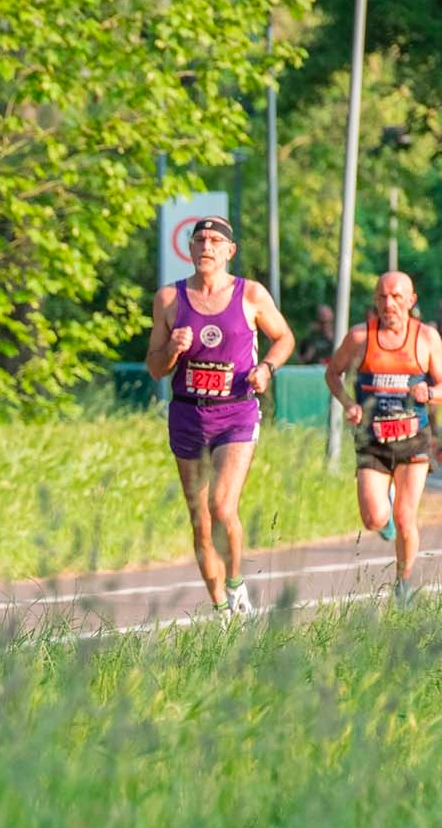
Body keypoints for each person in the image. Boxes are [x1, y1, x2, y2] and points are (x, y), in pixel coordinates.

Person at [144, 217, 294, 617]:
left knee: (222, 506)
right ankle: (220, 610)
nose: (207, 246)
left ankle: (235, 584)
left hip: (236, 414)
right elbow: (155, 368)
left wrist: (266, 369)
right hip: (188, 415)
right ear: (190, 250)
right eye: (200, 240)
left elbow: (284, 337)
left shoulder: (251, 295)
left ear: (230, 251)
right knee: (201, 521)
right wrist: (173, 350)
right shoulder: (169, 300)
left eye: (215, 241)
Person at [324, 272, 442, 604]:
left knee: (405, 515)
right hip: (373, 440)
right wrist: (349, 404)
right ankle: (386, 520)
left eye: (396, 297)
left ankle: (403, 585)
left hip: (413, 439)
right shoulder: (359, 337)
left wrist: (430, 392)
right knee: (374, 518)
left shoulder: (426, 337)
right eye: (382, 297)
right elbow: (332, 373)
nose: (388, 304)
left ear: (411, 300)